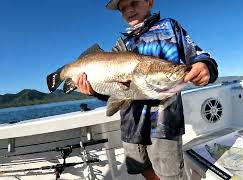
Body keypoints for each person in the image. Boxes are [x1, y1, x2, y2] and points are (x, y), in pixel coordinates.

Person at [74, 0, 218, 179]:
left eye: (134, 2)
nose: (129, 9)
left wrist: (205, 65)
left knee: (169, 175)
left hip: (164, 123)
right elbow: (114, 90)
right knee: (141, 167)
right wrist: (94, 91)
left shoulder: (169, 27)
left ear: (150, 2)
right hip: (131, 125)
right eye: (123, 8)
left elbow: (197, 54)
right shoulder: (121, 46)